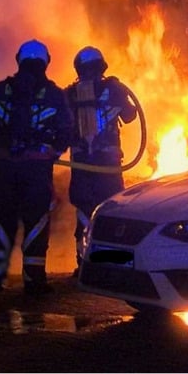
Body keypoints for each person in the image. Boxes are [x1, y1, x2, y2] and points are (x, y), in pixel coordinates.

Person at [0, 39, 74, 295]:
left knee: (2, 224)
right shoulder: (53, 94)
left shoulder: (0, 90)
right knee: (36, 224)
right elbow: (66, 131)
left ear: (19, 60)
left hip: (3, 170)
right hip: (36, 172)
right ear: (45, 62)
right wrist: (49, 153)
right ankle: (33, 281)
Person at [65, 46, 140, 274]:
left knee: (84, 210)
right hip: (108, 164)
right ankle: (110, 265)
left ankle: (84, 264)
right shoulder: (114, 89)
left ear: (78, 68)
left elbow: (59, 125)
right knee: (110, 209)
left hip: (80, 164)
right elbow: (129, 116)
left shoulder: (69, 93)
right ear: (102, 66)